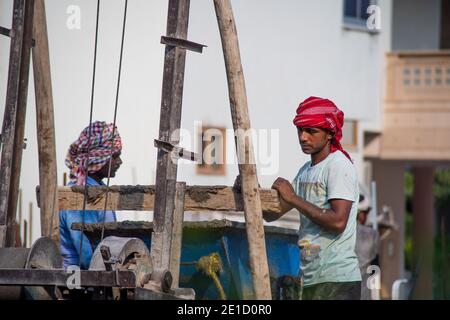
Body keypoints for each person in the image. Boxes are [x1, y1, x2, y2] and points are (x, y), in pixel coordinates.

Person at [266, 96, 361, 300]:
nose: (303, 137)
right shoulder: (305, 172)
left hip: (337, 281)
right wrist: (248, 191)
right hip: (310, 279)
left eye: (311, 131)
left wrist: (292, 197)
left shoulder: (339, 166)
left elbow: (338, 221)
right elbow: (272, 215)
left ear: (329, 134)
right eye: (300, 130)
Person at [59, 121, 123, 270]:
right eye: (115, 156)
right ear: (97, 158)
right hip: (81, 280)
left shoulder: (97, 189)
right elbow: (86, 252)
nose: (119, 161)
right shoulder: (80, 194)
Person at [355, 188, 380, 300]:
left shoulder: (340, 233)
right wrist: (376, 295)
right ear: (359, 213)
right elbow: (375, 268)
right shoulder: (372, 235)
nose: (367, 216)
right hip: (363, 293)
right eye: (366, 213)